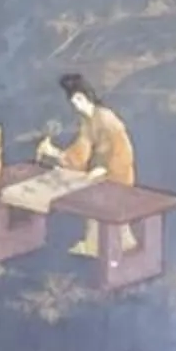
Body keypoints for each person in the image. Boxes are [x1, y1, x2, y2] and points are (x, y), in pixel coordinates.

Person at [39, 73, 137, 257]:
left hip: (117, 173)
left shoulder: (106, 118)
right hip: (99, 171)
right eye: (72, 99)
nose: (75, 103)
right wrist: (57, 155)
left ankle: (107, 246)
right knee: (85, 194)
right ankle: (100, 243)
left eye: (78, 98)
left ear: (86, 96)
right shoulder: (87, 121)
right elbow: (81, 151)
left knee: (96, 201)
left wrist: (103, 169)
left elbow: (121, 149)